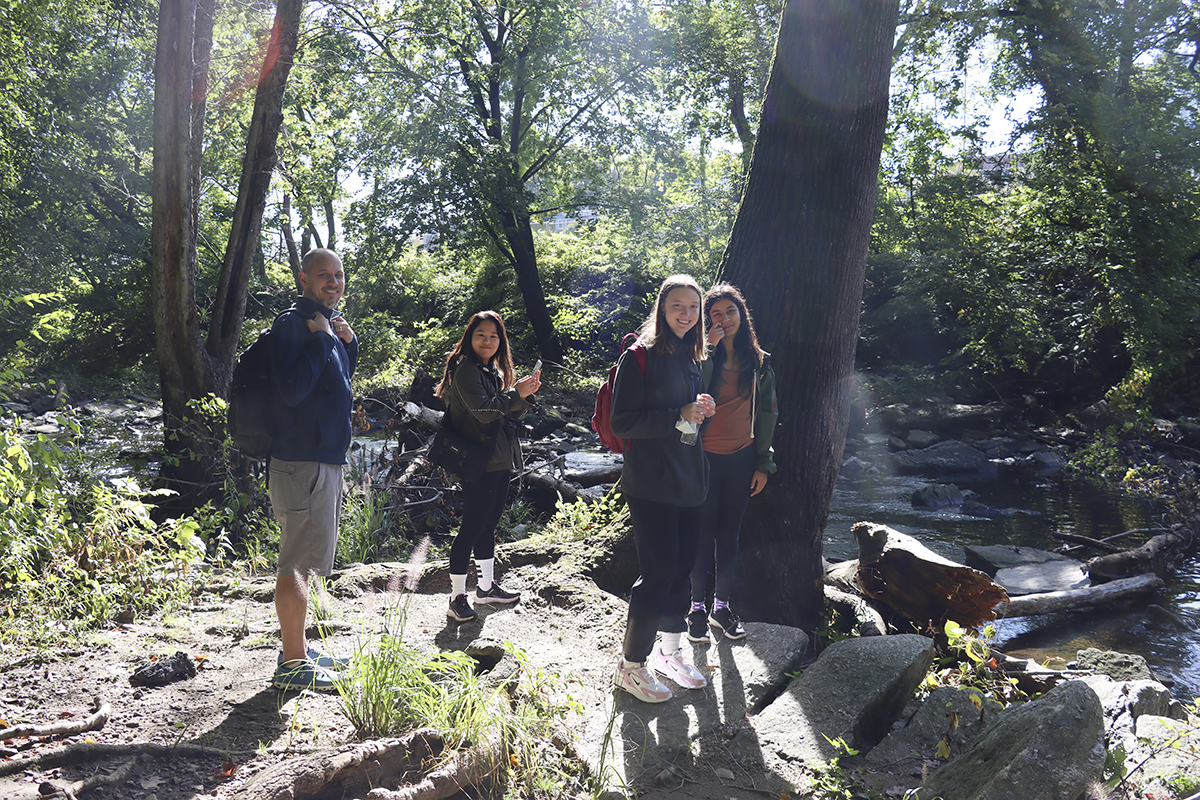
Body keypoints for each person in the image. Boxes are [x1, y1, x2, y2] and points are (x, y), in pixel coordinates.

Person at [610, 274, 715, 703]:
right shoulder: (639, 356)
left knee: (682, 568)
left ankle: (670, 654)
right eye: (678, 306)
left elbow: (684, 421)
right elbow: (622, 422)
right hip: (652, 483)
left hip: (688, 478)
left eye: (693, 307)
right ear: (662, 309)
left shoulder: (692, 355)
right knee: (656, 574)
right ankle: (631, 666)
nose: (686, 314)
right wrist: (680, 412)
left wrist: (698, 410)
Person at [268, 248, 358, 691]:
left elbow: (335, 390)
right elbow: (289, 391)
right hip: (300, 463)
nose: (334, 282)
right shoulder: (292, 324)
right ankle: (292, 665)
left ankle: (298, 648)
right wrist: (324, 341)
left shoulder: (326, 326)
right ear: (303, 278)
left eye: (339, 275)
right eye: (324, 275)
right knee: (297, 565)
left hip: (323, 462)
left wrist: (345, 344)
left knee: (308, 562)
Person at [687, 283, 778, 642]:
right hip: (703, 459)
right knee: (701, 535)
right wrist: (707, 345)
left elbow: (769, 413)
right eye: (716, 315)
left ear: (742, 315)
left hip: (742, 460)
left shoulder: (760, 361)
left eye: (731, 312)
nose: (725, 319)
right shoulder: (700, 357)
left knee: (729, 537)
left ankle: (720, 608)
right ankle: (695, 609)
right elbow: (689, 389)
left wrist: (763, 463)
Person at [436, 311, 541, 623]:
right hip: (478, 461)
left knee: (488, 525)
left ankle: (485, 587)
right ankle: (457, 597)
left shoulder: (491, 370)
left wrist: (525, 396)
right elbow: (485, 412)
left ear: (501, 341)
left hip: (498, 458)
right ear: (470, 337)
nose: (487, 341)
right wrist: (515, 394)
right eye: (481, 334)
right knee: (471, 527)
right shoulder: (467, 370)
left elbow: (505, 414)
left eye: (494, 336)